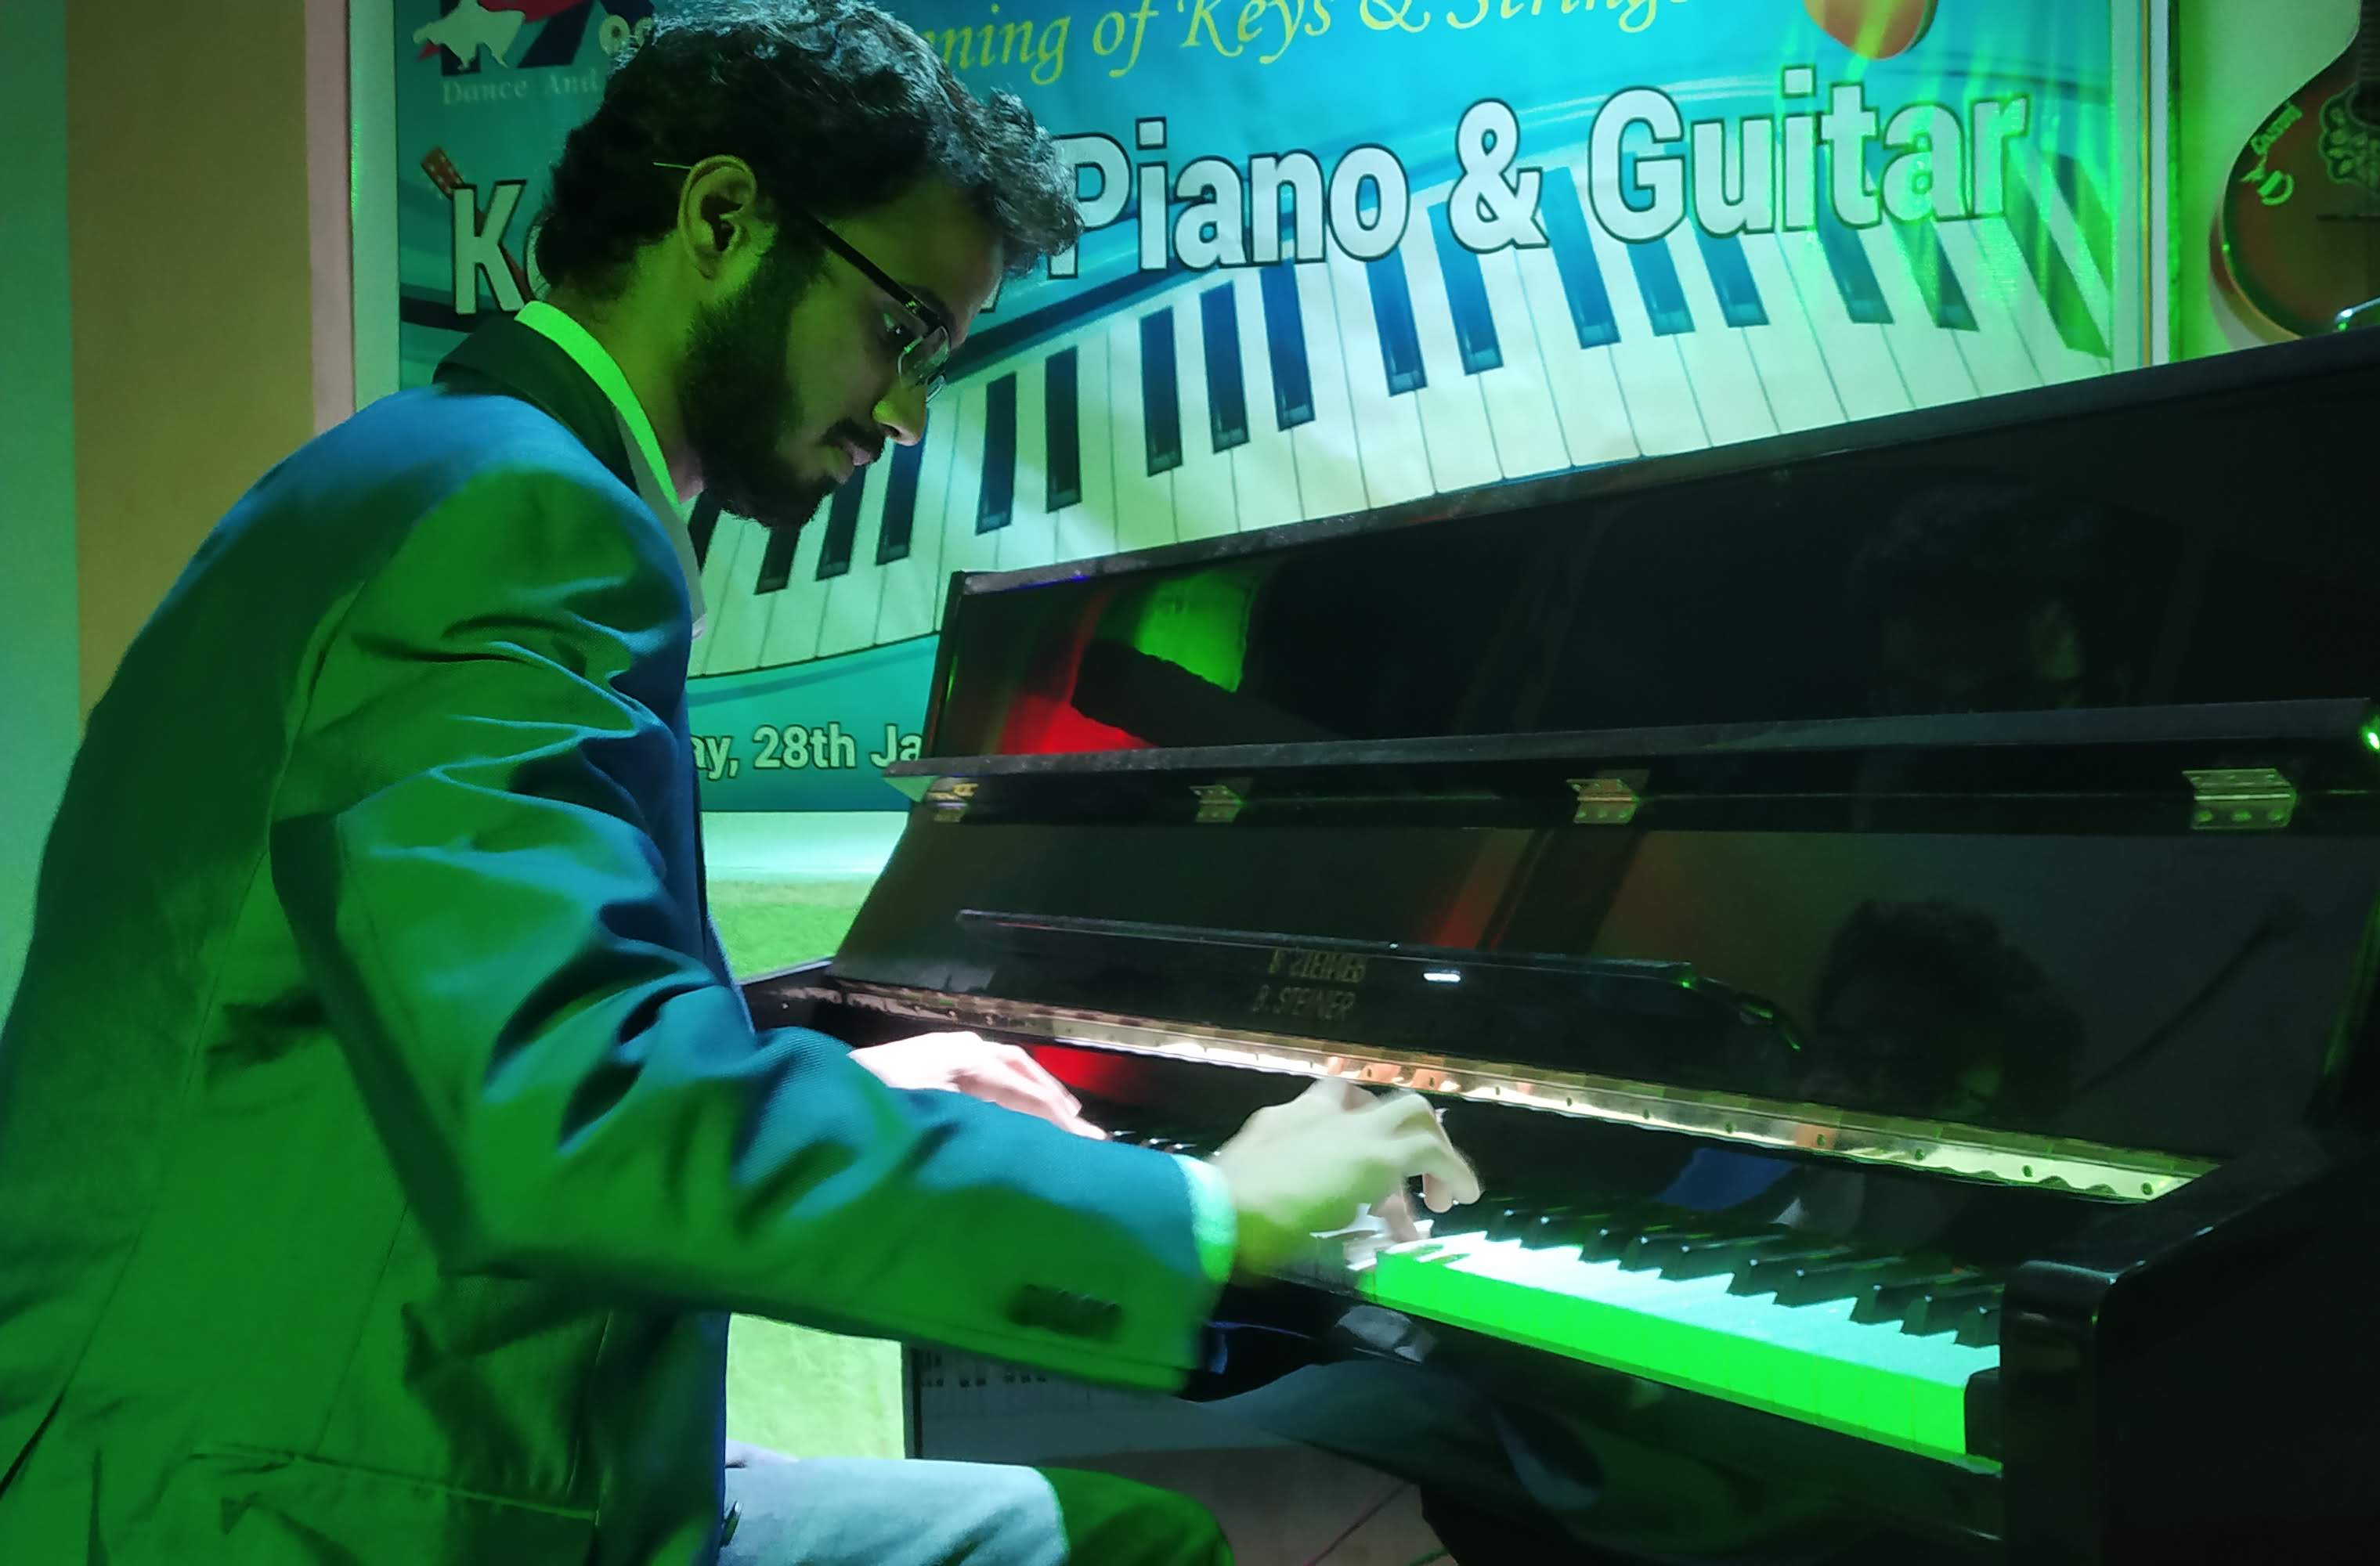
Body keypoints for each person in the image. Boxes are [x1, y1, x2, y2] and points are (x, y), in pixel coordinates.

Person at [0, 4, 1475, 1562]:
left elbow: (465, 1008)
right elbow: (571, 1117)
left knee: (1107, 1537)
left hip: (297, 1408)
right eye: (904, 326)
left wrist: (839, 1077)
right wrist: (1212, 1212)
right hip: (274, 1484)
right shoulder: (518, 518)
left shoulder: (412, 471)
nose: (908, 413)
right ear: (721, 219)